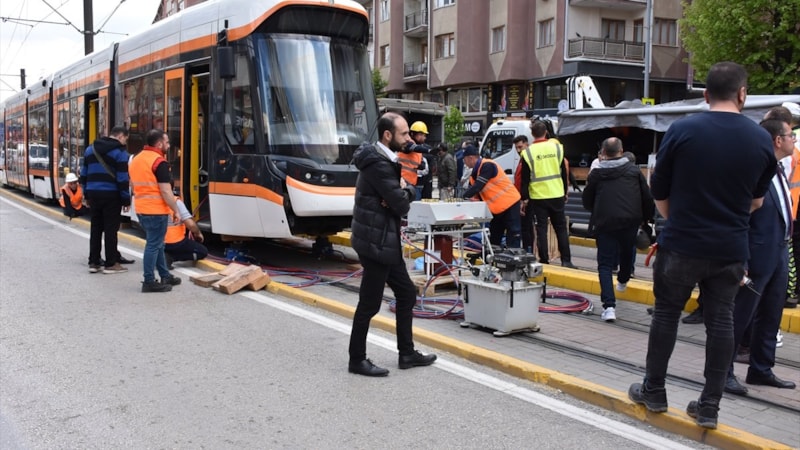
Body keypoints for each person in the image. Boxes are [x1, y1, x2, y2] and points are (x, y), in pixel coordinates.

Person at [627, 62, 775, 430]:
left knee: (665, 316)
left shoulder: (683, 130)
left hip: (682, 243)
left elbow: (658, 191)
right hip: (730, 248)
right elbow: (757, 202)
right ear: (743, 94)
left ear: (705, 95)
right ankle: (709, 405)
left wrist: (678, 218)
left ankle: (654, 390)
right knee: (721, 322)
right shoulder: (760, 139)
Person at [348, 112, 437, 377]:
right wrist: (407, 190)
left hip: (384, 241)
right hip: (376, 243)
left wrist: (399, 191)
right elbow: (400, 204)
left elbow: (395, 201)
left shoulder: (385, 159)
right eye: (404, 134)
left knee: (407, 294)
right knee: (369, 304)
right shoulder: (378, 164)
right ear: (388, 135)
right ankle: (357, 359)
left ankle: (406, 353)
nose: (409, 139)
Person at [723, 118, 797, 396]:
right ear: (778, 140)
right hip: (756, 255)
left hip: (779, 250)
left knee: (771, 313)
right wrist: (741, 260)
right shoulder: (756, 171)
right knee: (741, 315)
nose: (794, 140)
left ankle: (761, 368)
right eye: (791, 135)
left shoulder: (777, 170)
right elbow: (741, 217)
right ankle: (725, 371)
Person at [582, 137, 654, 323]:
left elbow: (587, 200)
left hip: (605, 223)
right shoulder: (634, 171)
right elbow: (646, 197)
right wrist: (646, 219)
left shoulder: (596, 174)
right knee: (627, 252)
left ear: (604, 153)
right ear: (621, 151)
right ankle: (623, 279)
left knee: (605, 265)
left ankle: (609, 307)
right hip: (630, 221)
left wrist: (597, 210)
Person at [129, 129, 183, 293]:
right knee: (153, 245)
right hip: (156, 211)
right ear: (159, 144)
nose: (168, 145)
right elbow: (166, 192)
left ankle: (165, 275)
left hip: (141, 209)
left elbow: (133, 185)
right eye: (166, 142)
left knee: (158, 243)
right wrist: (176, 210)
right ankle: (149, 281)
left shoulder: (136, 159)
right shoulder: (159, 162)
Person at [520, 120, 575, 267]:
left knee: (541, 229)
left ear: (532, 134)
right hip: (556, 194)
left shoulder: (527, 153)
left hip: (538, 197)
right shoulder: (557, 148)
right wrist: (565, 191)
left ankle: (544, 260)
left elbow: (525, 180)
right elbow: (564, 172)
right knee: (561, 229)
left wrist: (524, 199)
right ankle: (566, 260)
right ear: (546, 132)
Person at [81, 126, 134, 274]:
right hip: (112, 195)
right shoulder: (120, 153)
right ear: (121, 136)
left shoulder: (90, 150)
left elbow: (84, 174)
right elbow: (122, 179)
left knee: (96, 228)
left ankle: (94, 261)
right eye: (125, 139)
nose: (125, 142)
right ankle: (111, 263)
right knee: (111, 229)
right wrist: (126, 200)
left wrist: (86, 195)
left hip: (93, 194)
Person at [461, 145, 522, 249]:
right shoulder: (474, 175)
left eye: (464, 160)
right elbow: (476, 194)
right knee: (494, 237)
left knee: (513, 234)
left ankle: (514, 259)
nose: (464, 163)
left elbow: (477, 187)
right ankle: (494, 259)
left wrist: (462, 198)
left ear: (470, 158)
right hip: (496, 210)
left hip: (510, 204)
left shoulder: (487, 165)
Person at [164, 189, 208, 269]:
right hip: (176, 242)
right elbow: (190, 224)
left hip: (158, 242)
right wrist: (198, 233)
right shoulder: (176, 201)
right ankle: (171, 257)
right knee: (202, 252)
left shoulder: (153, 203)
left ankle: (162, 256)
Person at [512, 135, 534, 253]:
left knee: (526, 228)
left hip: (526, 198)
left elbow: (526, 180)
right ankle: (527, 249)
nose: (518, 150)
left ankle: (528, 250)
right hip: (521, 197)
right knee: (526, 227)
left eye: (520, 147)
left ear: (527, 144)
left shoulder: (527, 159)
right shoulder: (522, 159)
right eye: (516, 148)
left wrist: (525, 199)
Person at [398, 120, 430, 200]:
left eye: (424, 135)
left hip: (413, 185)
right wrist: (429, 150)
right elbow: (413, 148)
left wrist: (421, 166)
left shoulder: (419, 151)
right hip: (403, 184)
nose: (423, 137)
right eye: (420, 134)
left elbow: (423, 168)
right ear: (412, 134)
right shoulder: (407, 144)